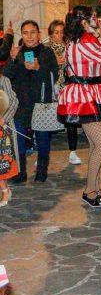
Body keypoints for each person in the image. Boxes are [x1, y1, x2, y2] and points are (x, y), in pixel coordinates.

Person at [57, 7, 101, 208]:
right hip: (87, 96)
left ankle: (96, 188)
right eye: (91, 18)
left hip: (85, 94)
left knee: (95, 145)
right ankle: (90, 191)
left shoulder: (72, 42)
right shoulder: (87, 41)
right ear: (83, 23)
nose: (95, 21)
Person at [2, 20, 59, 185]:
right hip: (21, 105)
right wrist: (12, 59)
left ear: (39, 34)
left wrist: (37, 68)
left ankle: (42, 170)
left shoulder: (47, 53)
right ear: (22, 35)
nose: (29, 36)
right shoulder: (18, 53)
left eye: (32, 32)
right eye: (25, 33)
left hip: (41, 103)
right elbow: (6, 75)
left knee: (42, 139)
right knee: (18, 140)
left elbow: (53, 76)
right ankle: (20, 173)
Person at [44, 19, 83, 166]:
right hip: (49, 88)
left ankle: (72, 152)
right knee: (46, 122)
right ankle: (43, 154)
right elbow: (38, 69)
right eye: (56, 32)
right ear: (51, 34)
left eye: (61, 32)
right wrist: (54, 63)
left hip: (67, 88)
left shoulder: (70, 47)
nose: (59, 35)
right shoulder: (45, 48)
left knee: (70, 121)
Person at [0, 73, 18, 206]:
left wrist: (4, 118)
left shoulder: (3, 80)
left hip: (2, 129)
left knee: (2, 163)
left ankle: (5, 191)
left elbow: (13, 101)